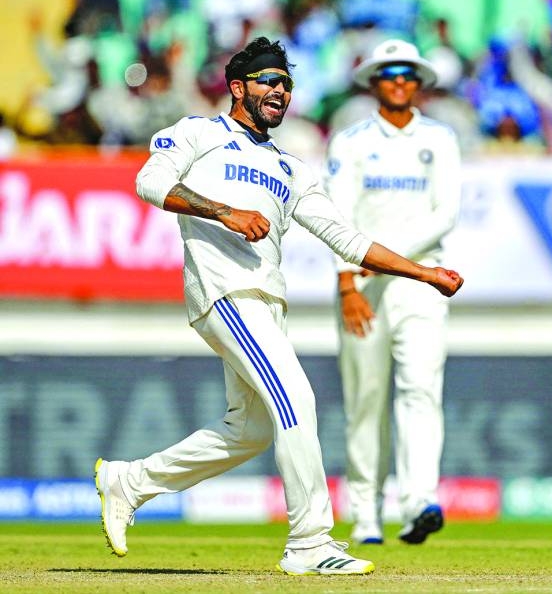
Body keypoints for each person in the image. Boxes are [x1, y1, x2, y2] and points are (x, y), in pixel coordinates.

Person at [94, 36, 463, 576]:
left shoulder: (292, 169)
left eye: (287, 84)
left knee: (250, 431)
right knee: (297, 399)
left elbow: (347, 238)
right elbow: (149, 182)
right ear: (238, 88)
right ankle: (310, 542)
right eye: (270, 81)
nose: (281, 91)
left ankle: (131, 482)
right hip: (224, 293)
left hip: (266, 303)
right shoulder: (199, 132)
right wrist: (224, 211)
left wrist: (422, 272)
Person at [325, 39, 461, 546]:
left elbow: (443, 214)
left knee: (421, 388)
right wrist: (349, 278)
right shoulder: (352, 141)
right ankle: (364, 513)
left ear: (419, 82)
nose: (399, 80)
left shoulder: (442, 139)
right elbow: (335, 216)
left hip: (422, 282)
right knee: (365, 399)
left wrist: (384, 259)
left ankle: (420, 501)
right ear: (373, 82)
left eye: (408, 72)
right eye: (389, 73)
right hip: (361, 285)